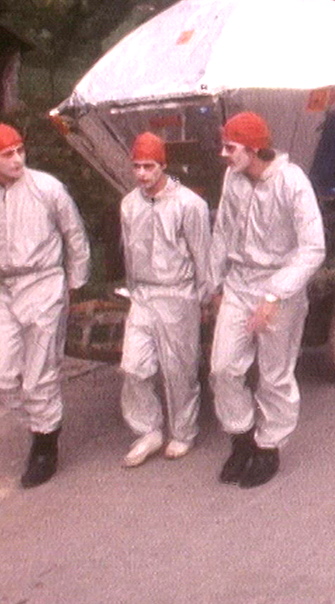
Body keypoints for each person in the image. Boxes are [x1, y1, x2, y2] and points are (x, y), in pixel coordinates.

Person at [209, 111, 325, 488]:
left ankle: (268, 446)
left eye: (230, 147)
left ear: (255, 148)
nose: (224, 154)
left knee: (273, 375)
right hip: (239, 284)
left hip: (280, 286)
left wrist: (274, 294)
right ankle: (241, 439)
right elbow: (222, 231)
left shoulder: (292, 183)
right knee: (222, 367)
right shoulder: (233, 178)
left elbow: (313, 248)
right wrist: (215, 285)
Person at [0, 122, 91, 488]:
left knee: (39, 373)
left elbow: (74, 233)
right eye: (7, 154)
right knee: (0, 377)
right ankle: (45, 422)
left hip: (44, 283)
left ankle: (44, 447)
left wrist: (75, 283)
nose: (17, 159)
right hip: (7, 289)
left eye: (20, 150)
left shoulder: (47, 188)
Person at [118, 132, 212, 468]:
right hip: (143, 295)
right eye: (137, 167)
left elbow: (203, 254)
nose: (142, 174)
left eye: (149, 166)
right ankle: (148, 430)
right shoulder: (129, 204)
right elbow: (128, 251)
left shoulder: (190, 205)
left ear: (164, 166)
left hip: (178, 295)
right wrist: (131, 290)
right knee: (133, 366)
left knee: (179, 370)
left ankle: (183, 432)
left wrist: (205, 298)